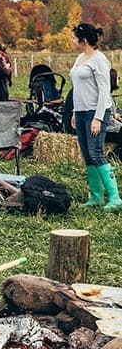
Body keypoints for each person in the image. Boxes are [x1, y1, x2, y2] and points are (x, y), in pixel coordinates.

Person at [70, 22, 122, 210]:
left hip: (96, 111)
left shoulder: (99, 60)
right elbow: (77, 88)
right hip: (81, 112)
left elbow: (104, 91)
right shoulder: (80, 58)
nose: (72, 40)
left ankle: (115, 198)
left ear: (83, 39)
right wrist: (75, 112)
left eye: (74, 37)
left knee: (96, 152)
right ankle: (96, 196)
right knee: (87, 154)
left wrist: (98, 118)